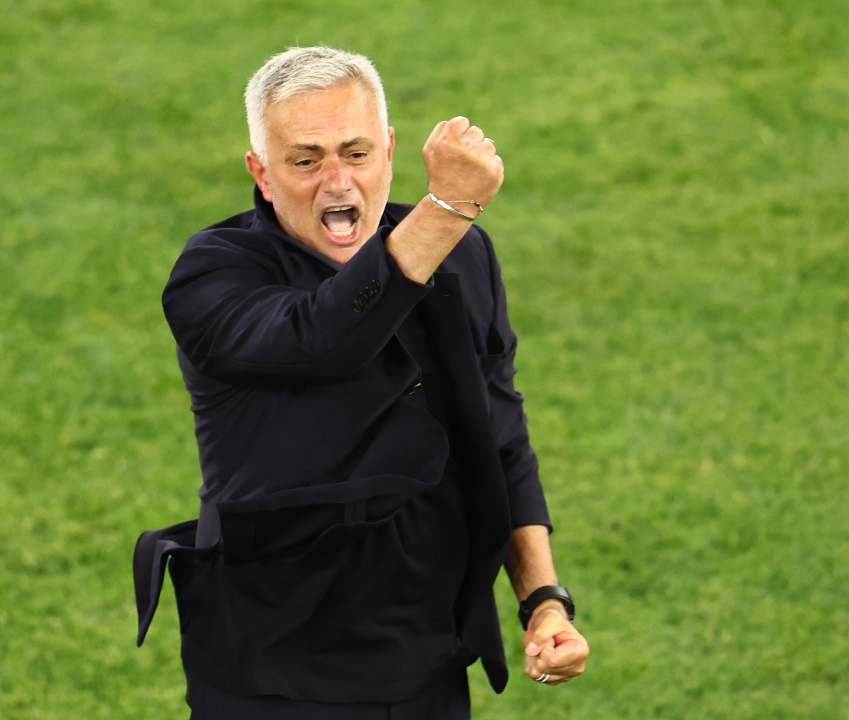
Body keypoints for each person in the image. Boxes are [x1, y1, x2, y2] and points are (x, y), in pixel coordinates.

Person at [131, 46, 589, 719]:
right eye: (306, 161)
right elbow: (326, 338)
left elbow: (499, 438)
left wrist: (543, 600)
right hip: (274, 674)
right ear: (261, 173)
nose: (338, 182)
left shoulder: (461, 253)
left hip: (428, 660)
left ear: (390, 152)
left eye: (356, 152)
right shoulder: (213, 275)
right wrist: (447, 207)